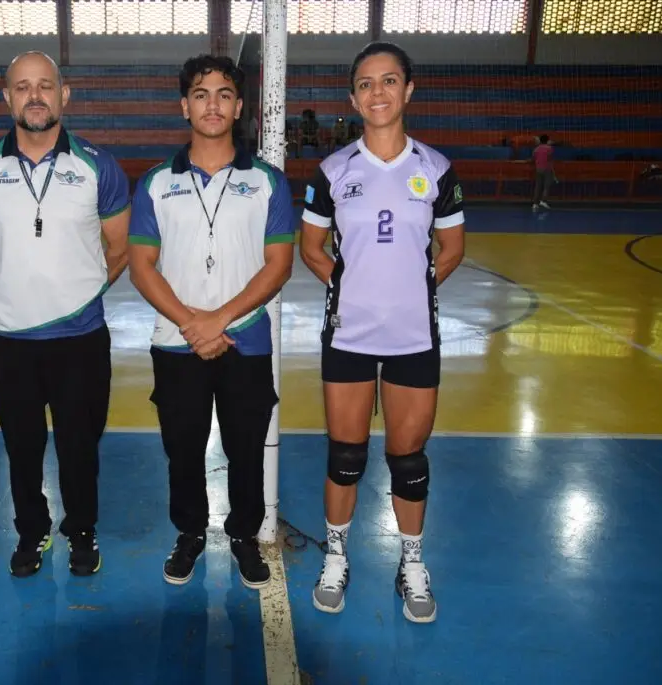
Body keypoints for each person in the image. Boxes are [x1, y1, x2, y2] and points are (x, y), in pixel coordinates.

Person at [299, 42, 466, 622]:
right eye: (366, 84)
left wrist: (417, 285)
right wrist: (344, 286)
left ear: (408, 91)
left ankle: (412, 562)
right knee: (345, 455)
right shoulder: (332, 170)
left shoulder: (437, 169)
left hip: (414, 336)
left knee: (408, 457)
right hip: (348, 334)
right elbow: (311, 247)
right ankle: (337, 555)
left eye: (389, 81)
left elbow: (453, 247)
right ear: (353, 97)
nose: (378, 93)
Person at [0, 51, 131, 578]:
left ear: (64, 94)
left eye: (45, 86)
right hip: (10, 340)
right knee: (23, 447)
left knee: (80, 446)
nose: (34, 96)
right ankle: (31, 533)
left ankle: (82, 530)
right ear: (6, 97)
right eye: (22, 87)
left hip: (80, 338)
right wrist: (22, 294)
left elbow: (119, 248)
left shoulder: (98, 166)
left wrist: (71, 297)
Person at [128, 54, 295, 589]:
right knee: (182, 446)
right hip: (176, 343)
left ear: (239, 105)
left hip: (245, 341)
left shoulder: (267, 181)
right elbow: (140, 266)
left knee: (245, 446)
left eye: (224, 94)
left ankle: (244, 535)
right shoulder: (156, 182)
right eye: (201, 94)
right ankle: (191, 533)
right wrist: (190, 325)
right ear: (184, 105)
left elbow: (279, 264)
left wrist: (218, 319)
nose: (213, 104)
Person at [531, 134, 555, 211]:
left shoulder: (536, 149)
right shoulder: (549, 148)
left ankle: (535, 204)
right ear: (547, 140)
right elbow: (550, 157)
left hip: (538, 169)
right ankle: (543, 201)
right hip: (547, 169)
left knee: (538, 186)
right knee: (546, 186)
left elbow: (533, 158)